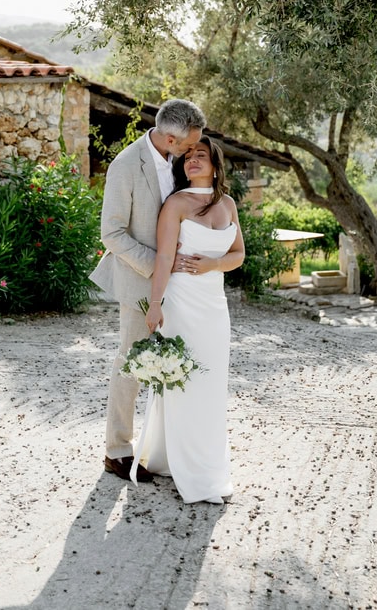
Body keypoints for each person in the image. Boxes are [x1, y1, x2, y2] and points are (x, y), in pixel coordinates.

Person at [90, 99, 207, 482]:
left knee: (178, 363)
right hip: (140, 281)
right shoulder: (125, 166)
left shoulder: (177, 160)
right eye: (190, 145)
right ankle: (117, 450)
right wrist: (159, 266)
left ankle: (165, 448)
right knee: (132, 363)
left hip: (183, 285)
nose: (194, 152)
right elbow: (112, 233)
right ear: (171, 138)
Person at [138, 136, 245, 503]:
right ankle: (187, 468)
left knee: (212, 383)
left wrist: (214, 263)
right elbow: (165, 257)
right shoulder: (176, 204)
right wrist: (155, 304)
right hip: (182, 301)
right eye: (188, 157)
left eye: (201, 156)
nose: (192, 161)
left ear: (215, 164)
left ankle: (205, 464)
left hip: (215, 305)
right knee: (185, 380)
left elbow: (238, 254)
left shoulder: (227, 204)